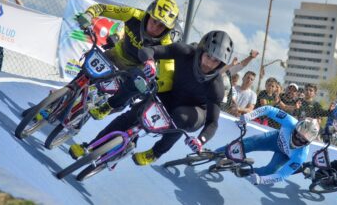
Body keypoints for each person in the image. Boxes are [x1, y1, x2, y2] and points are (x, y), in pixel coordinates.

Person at [69, 30, 234, 167]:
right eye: (208, 56)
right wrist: (149, 62)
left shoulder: (216, 86)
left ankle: (156, 152)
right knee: (133, 116)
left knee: (181, 119)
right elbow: (151, 51)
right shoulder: (184, 52)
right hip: (169, 95)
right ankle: (90, 147)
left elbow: (212, 122)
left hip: (193, 111)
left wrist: (200, 140)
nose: (209, 64)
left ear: (221, 65)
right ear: (200, 50)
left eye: (216, 61)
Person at [76, 0, 181, 119]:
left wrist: (155, 86)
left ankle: (108, 106)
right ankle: (70, 89)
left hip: (132, 72)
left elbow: (168, 76)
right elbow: (102, 8)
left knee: (139, 83)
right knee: (86, 71)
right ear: (148, 14)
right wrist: (89, 14)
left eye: (161, 26)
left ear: (168, 29)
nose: (155, 27)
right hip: (114, 56)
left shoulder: (166, 44)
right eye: (154, 21)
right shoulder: (134, 14)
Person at [215, 105, 320, 185]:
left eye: (303, 140)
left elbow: (281, 175)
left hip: (284, 155)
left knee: (269, 171)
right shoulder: (290, 122)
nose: (298, 140)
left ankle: (246, 172)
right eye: (298, 135)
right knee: (246, 144)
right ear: (295, 128)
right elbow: (268, 109)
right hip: (274, 139)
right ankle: (215, 153)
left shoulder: (300, 156)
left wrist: (261, 180)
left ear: (308, 143)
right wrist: (249, 116)